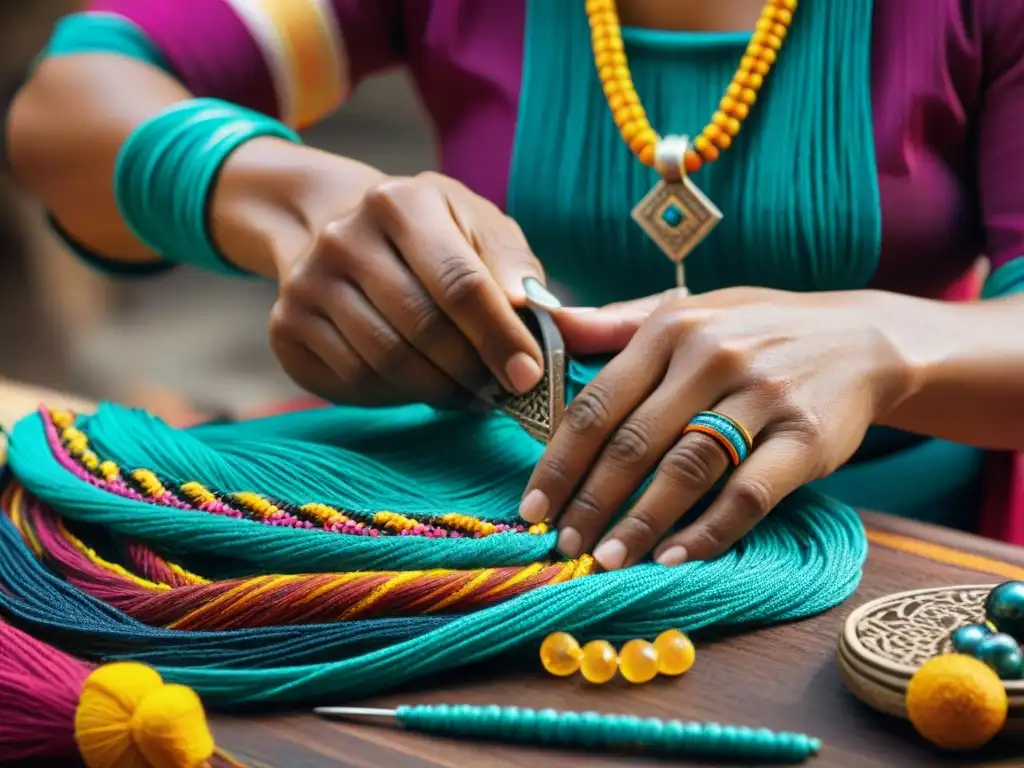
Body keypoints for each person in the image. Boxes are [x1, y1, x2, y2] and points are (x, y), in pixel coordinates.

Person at [7, 0, 1024, 571]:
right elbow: (68, 104)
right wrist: (289, 196)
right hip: (474, 525)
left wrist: (890, 347)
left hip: (899, 550)